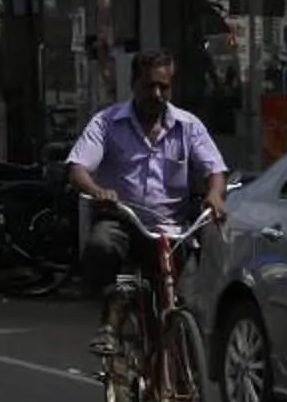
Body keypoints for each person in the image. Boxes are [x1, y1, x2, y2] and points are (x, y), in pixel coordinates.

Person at [65, 49, 228, 359]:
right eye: (149, 86)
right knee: (101, 246)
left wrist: (215, 195)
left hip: (174, 228)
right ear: (134, 84)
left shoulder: (188, 126)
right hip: (124, 220)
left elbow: (215, 169)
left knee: (189, 304)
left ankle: (183, 381)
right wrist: (97, 189)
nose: (157, 94)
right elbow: (77, 169)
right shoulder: (107, 123)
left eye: (164, 87)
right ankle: (109, 320)